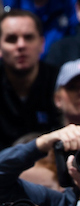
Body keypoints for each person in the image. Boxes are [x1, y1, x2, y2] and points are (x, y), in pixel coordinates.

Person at [0, 10, 59, 147]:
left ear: (42, 44)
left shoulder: (59, 82)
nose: (21, 45)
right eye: (11, 39)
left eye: (28, 37)